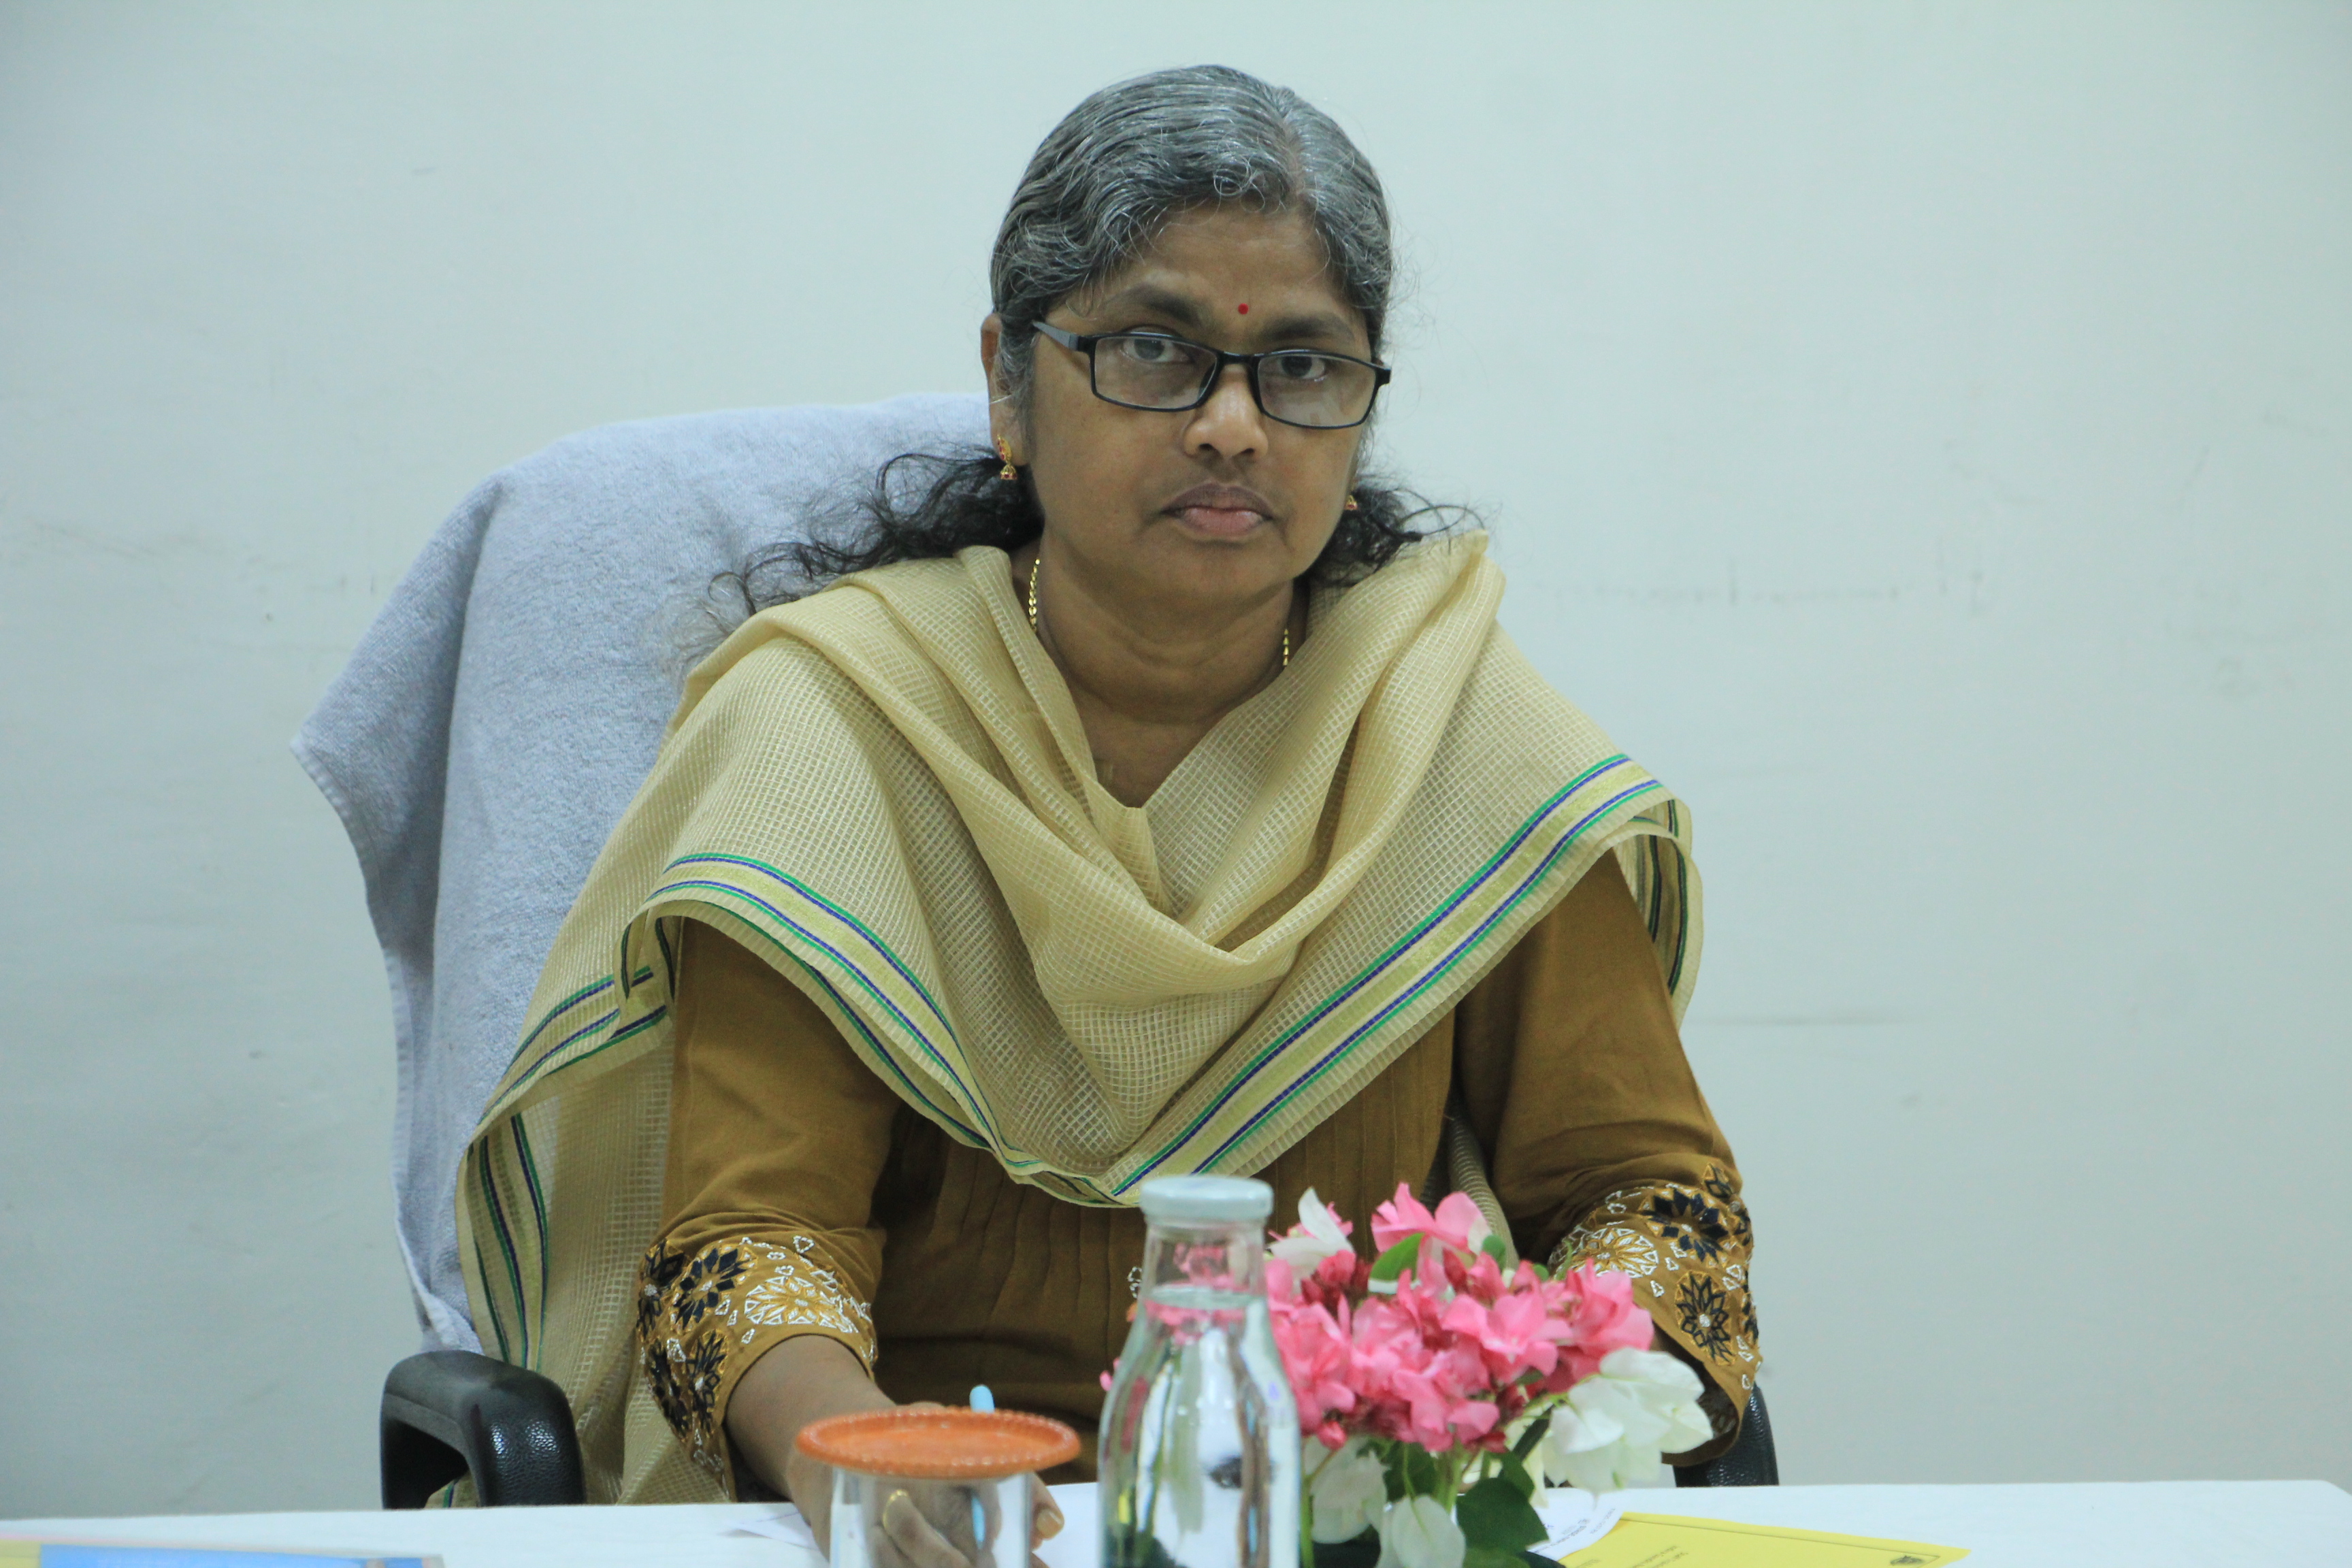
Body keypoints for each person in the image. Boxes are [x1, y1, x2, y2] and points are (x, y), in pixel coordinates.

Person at [455, 65, 1759, 1522]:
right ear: (1009, 386)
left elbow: (1649, 1203)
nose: (1233, 425)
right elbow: (751, 1248)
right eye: (1154, 349)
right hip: (939, 1509)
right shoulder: (836, 727)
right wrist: (867, 1473)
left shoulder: (1452, 732)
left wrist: (1500, 1429)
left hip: (1348, 1518)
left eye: (1303, 366)